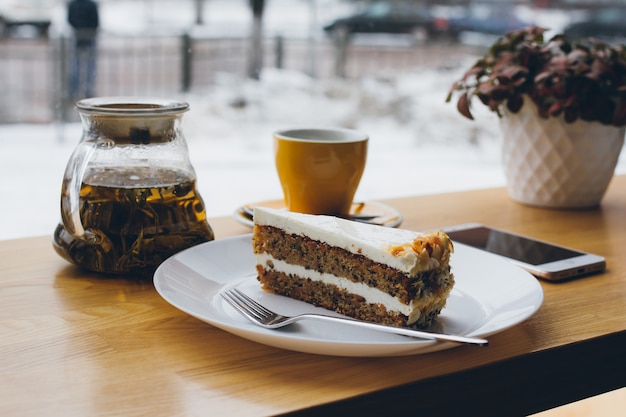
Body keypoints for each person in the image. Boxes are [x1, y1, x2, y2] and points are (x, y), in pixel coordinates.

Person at [67, 0, 99, 99]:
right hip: (89, 35)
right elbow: (96, 21)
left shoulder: (72, 4)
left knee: (75, 64)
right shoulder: (92, 4)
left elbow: (70, 19)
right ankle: (88, 89)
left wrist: (78, 27)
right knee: (90, 65)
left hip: (77, 35)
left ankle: (74, 90)